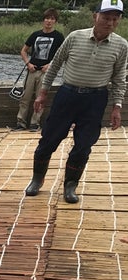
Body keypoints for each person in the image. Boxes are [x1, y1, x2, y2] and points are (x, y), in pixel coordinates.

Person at [26, 0, 128, 203]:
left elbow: (119, 79)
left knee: (84, 145)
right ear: (95, 16)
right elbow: (54, 65)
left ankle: (70, 186)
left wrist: (117, 106)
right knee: (49, 139)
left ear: (119, 21)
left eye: (114, 19)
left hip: (95, 99)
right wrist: (42, 93)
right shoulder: (75, 37)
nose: (109, 23)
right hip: (67, 95)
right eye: (106, 17)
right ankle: (37, 179)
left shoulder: (121, 45)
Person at [12, 8, 65, 132]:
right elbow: (23, 51)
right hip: (32, 69)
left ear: (55, 21)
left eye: (52, 19)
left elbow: (62, 54)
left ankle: (35, 124)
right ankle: (21, 123)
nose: (49, 21)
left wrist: (50, 65)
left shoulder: (58, 36)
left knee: (40, 98)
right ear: (43, 20)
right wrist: (28, 63)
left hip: (46, 72)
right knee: (25, 97)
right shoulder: (36, 34)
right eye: (47, 18)